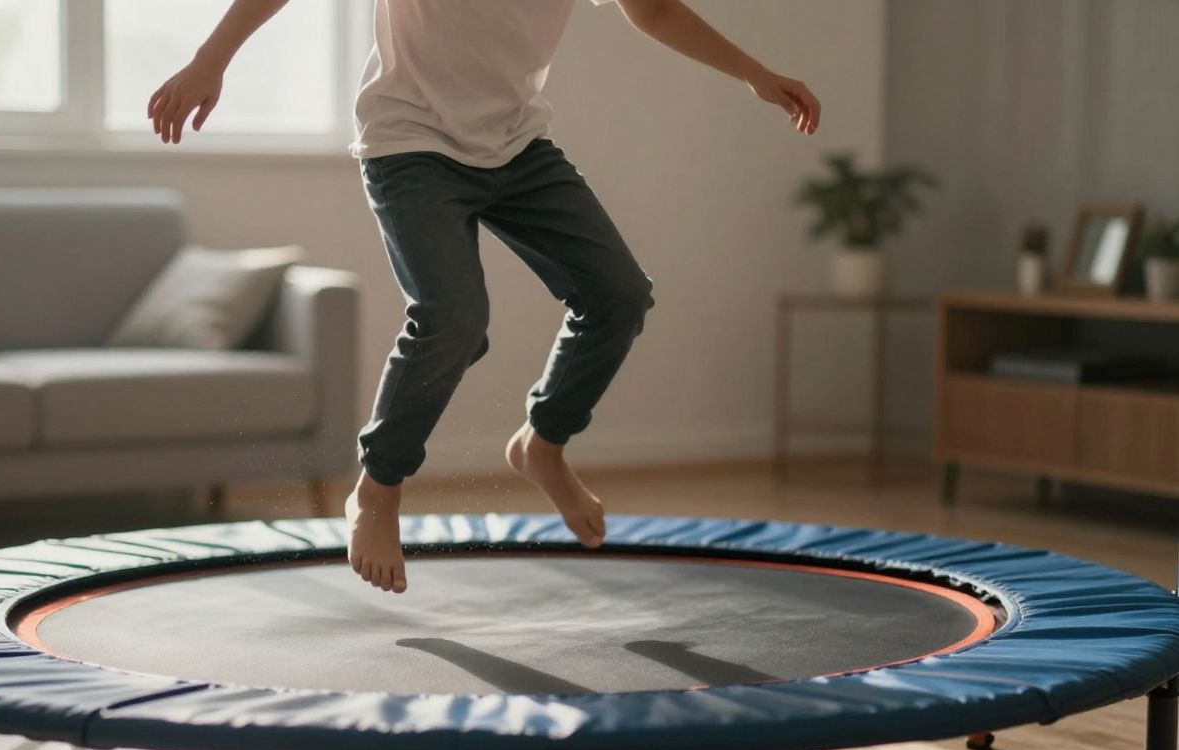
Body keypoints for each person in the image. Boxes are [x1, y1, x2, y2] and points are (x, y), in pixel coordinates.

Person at [149, 0, 820, 595]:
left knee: (618, 295)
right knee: (455, 318)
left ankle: (542, 442)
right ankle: (378, 490)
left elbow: (653, 9)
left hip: (518, 148)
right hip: (408, 141)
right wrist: (210, 61)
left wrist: (754, 72)